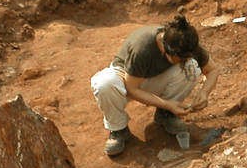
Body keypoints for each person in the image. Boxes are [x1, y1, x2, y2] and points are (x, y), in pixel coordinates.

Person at [90, 14, 221, 156]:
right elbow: (132, 88)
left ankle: (166, 115)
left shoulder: (185, 42)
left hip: (154, 78)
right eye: (180, 59)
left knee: (192, 67)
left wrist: (204, 93)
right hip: (126, 80)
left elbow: (212, 69)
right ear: (166, 50)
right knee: (104, 84)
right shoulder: (142, 46)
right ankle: (118, 129)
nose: (184, 61)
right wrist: (167, 103)